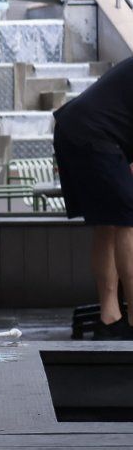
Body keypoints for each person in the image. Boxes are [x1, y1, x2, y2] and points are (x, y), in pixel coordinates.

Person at [53, 56, 133, 340]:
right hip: (94, 135)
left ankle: (110, 319)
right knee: (127, 222)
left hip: (74, 128)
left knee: (109, 224)